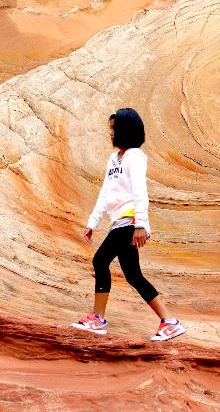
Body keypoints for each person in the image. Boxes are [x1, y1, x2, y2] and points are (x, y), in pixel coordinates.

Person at [71, 108, 185, 341]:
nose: (111, 133)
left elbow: (139, 191)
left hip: (130, 221)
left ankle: (98, 319)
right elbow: (105, 193)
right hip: (118, 222)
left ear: (126, 130)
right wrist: (93, 221)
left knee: (100, 260)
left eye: (115, 129)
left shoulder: (135, 157)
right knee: (133, 275)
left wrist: (140, 224)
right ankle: (169, 322)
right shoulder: (114, 159)